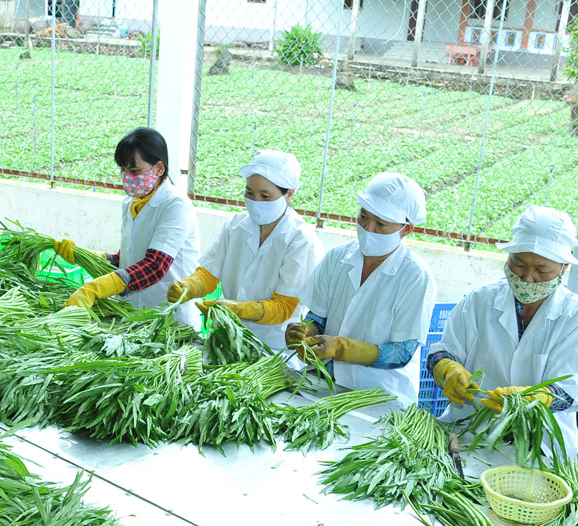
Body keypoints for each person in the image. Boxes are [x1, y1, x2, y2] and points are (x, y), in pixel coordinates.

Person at [428, 206, 578, 458]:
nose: (527, 278)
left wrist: (533, 398)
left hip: (538, 445)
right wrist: (446, 369)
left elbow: (569, 392)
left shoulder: (577, 316)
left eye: (542, 270)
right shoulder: (480, 299)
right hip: (469, 430)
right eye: (518, 264)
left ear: (564, 267)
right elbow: (442, 351)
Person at [283, 173, 435, 405]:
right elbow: (318, 317)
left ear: (406, 229)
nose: (368, 228)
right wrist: (305, 332)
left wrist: (341, 348)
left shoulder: (415, 276)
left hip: (380, 395)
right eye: (363, 216)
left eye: (381, 224)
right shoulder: (338, 257)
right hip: (326, 382)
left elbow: (402, 353)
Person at [164, 149, 322, 351]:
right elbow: (209, 274)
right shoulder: (236, 226)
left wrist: (239, 309)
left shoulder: (301, 240)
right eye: (249, 193)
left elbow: (284, 306)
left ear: (289, 194)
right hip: (227, 337)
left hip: (273, 347)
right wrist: (189, 286)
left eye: (265, 196)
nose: (256, 202)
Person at [58, 127, 200, 325]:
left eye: (134, 171)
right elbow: (128, 259)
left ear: (159, 168)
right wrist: (86, 256)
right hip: (133, 315)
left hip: (169, 318)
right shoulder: (132, 203)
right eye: (123, 170)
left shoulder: (176, 205)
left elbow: (155, 265)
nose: (127, 177)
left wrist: (95, 288)